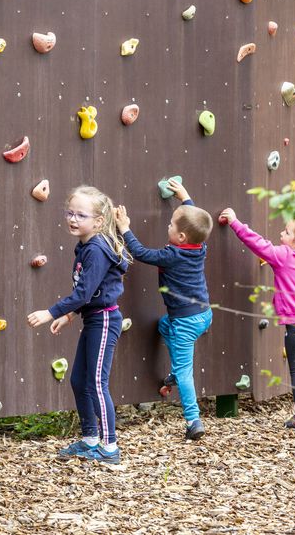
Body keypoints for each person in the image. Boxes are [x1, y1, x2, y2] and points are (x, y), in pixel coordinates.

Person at [27, 186, 130, 464]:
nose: (73, 219)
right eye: (70, 213)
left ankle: (109, 448)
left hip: (105, 319)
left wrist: (51, 312)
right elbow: (90, 289)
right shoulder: (85, 245)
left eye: (80, 215)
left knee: (97, 383)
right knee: (78, 380)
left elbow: (84, 294)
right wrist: (70, 315)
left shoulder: (96, 249)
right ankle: (90, 439)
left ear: (97, 221)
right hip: (93, 317)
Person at [114, 179, 213, 440]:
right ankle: (173, 374)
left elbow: (141, 253)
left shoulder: (172, 256)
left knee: (185, 372)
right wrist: (186, 197)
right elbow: (196, 223)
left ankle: (193, 421)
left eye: (171, 225)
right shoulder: (199, 247)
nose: (167, 226)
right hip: (202, 315)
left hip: (186, 322)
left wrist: (124, 228)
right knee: (162, 325)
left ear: (180, 237)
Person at [220, 208, 295, 431]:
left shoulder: (284, 255)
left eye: (287, 232)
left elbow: (258, 244)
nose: (282, 234)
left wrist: (235, 222)